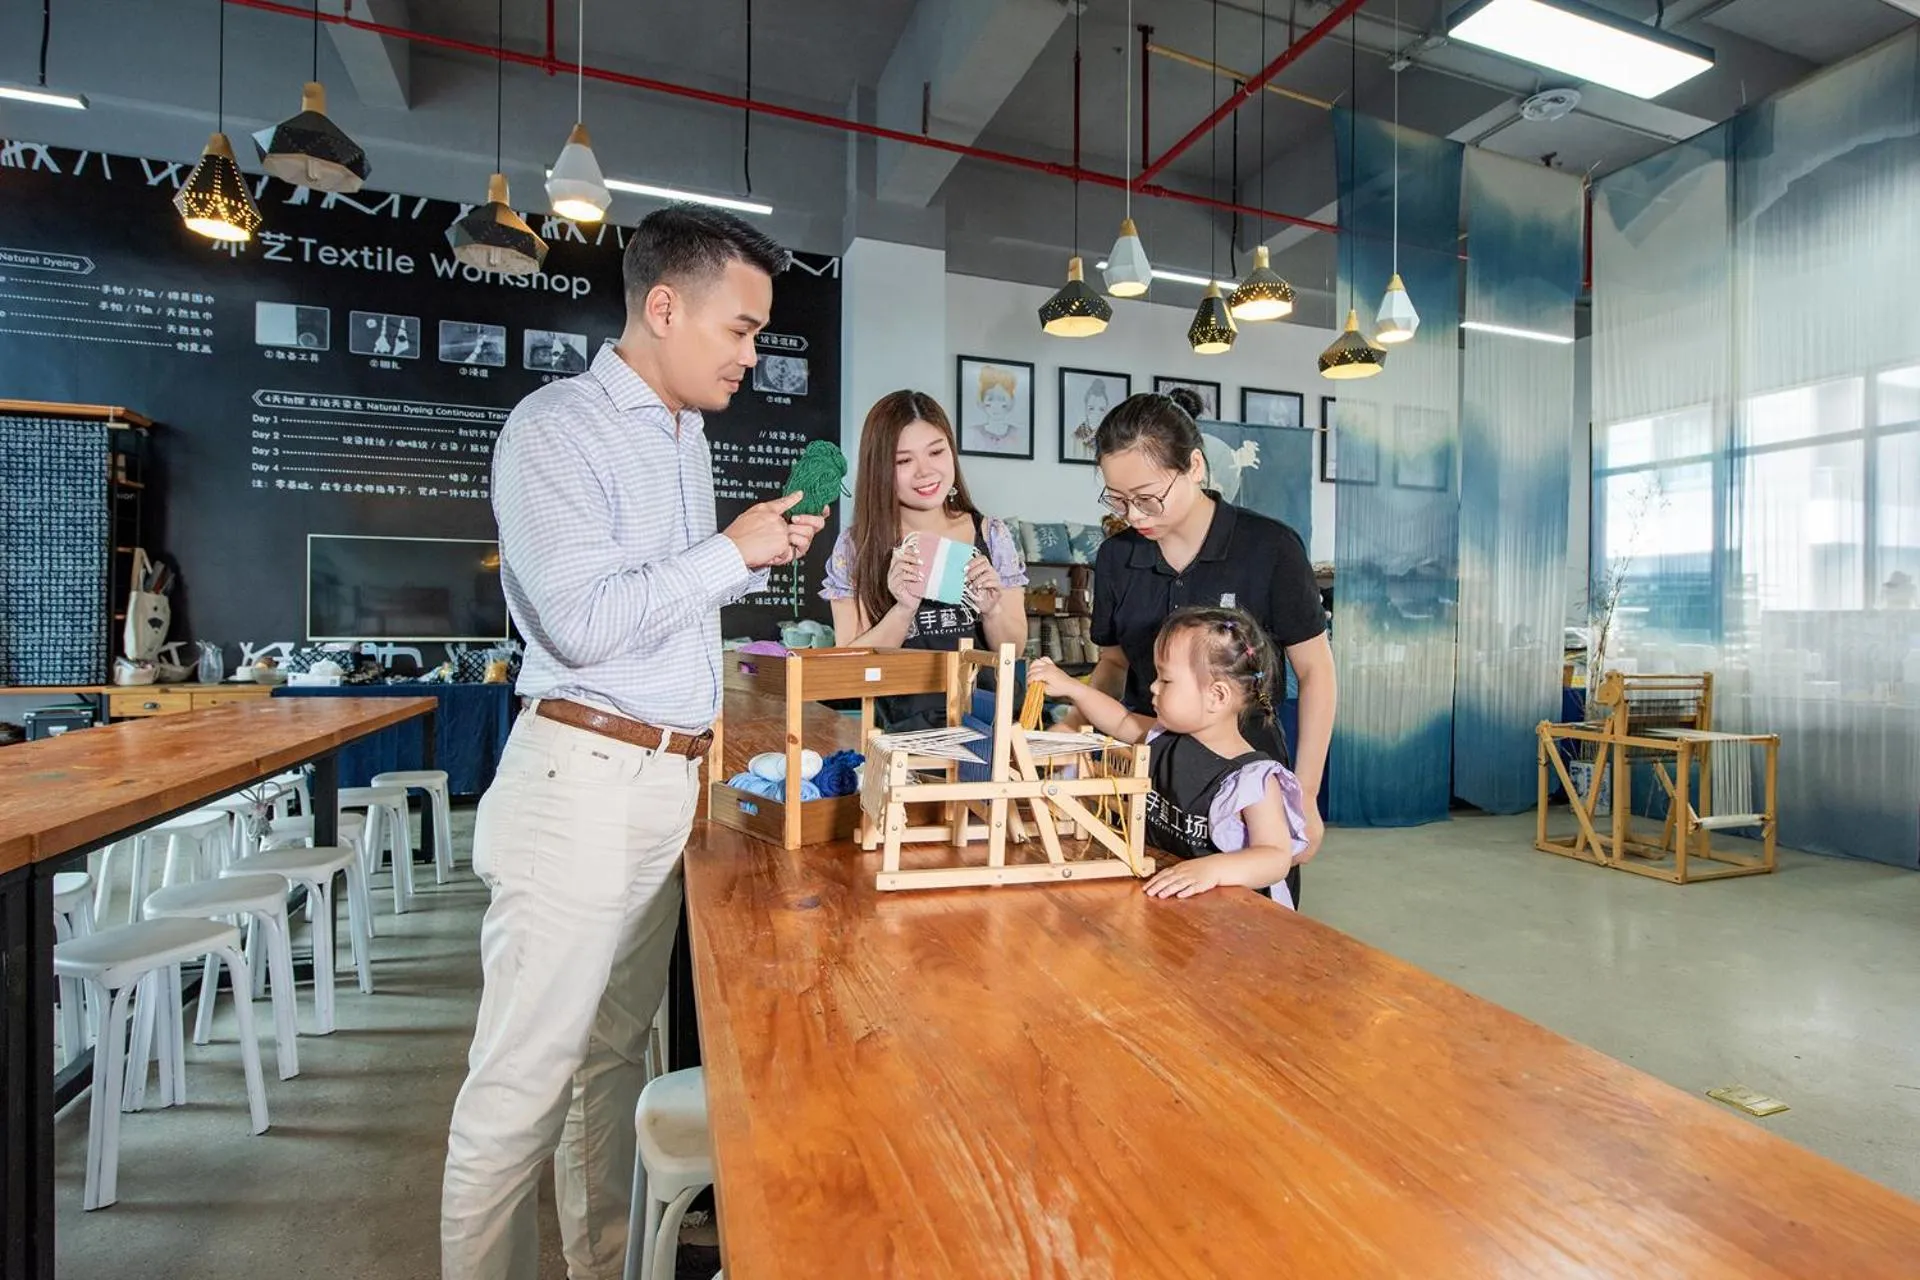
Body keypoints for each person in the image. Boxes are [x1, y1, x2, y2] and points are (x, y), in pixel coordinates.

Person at [441, 203, 826, 1280]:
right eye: (740, 329)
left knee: (612, 1055)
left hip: (664, 782)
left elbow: (653, 612)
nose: (753, 353)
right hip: (580, 781)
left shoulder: (683, 434)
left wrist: (736, 553)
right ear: (664, 307)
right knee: (519, 1087)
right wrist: (730, 553)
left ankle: (603, 1261)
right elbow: (580, 622)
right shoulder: (556, 426)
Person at [1087, 387, 1335, 904]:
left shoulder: (1268, 548)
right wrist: (1075, 727)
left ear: (1195, 466)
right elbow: (1113, 662)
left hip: (1244, 786)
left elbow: (1315, 673)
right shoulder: (1116, 558)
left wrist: (1304, 794)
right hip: (1149, 783)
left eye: (1148, 497)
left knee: (1249, 941)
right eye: (1117, 499)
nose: (1134, 515)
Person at [1029, 606, 1308, 904]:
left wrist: (1212, 870)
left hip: (1237, 918)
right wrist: (1073, 689)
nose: (1152, 686)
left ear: (1217, 696)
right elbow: (1120, 720)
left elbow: (1276, 857)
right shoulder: (1165, 737)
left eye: (1166, 679)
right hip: (1176, 900)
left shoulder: (1253, 778)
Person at [823, 389, 1027, 729]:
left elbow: (1013, 650)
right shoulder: (857, 546)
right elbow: (850, 666)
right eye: (903, 461)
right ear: (879, 468)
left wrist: (992, 611)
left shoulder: (990, 534)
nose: (925, 471)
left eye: (936, 452)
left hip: (991, 729)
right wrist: (902, 610)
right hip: (904, 737)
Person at [964, 364, 1022, 453]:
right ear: (982, 400)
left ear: (1010, 401)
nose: (996, 406)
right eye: (990, 399)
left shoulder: (1018, 434)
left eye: (1001, 399)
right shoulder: (973, 433)